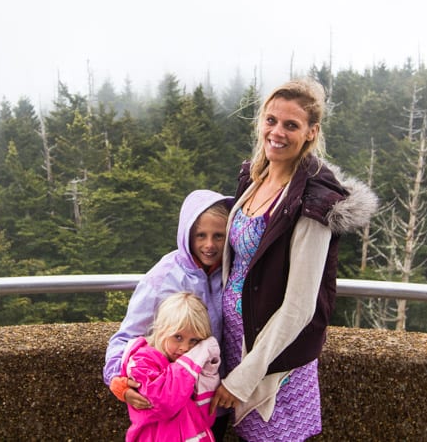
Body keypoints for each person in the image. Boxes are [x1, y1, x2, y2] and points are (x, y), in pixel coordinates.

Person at [210, 78, 378, 440]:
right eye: (271, 120)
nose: (277, 132)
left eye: (291, 125)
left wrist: (243, 378)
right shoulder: (254, 179)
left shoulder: (314, 202)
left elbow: (299, 308)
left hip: (273, 362)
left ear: (311, 133)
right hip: (236, 346)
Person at [104, 190, 232, 437]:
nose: (209, 245)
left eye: (219, 236)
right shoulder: (162, 277)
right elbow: (126, 337)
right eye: (200, 236)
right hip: (171, 410)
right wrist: (117, 381)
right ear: (187, 234)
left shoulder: (233, 273)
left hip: (213, 403)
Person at [119, 292, 221, 441]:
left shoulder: (190, 364)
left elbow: (206, 414)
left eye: (194, 341)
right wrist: (196, 355)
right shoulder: (142, 361)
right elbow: (164, 402)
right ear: (161, 330)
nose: (185, 348)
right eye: (178, 337)